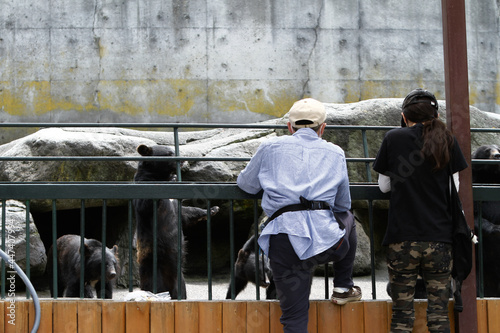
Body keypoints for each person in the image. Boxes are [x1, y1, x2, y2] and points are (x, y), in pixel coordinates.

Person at [237, 98, 361, 333]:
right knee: (348, 219)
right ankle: (343, 287)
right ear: (323, 128)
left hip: (284, 241)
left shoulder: (269, 147)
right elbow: (343, 203)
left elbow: (246, 185)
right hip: (326, 244)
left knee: (293, 319)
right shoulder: (335, 153)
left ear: (289, 127)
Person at [372, 89, 468, 333]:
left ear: (404, 117)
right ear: (435, 115)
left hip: (402, 238)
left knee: (402, 314)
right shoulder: (447, 139)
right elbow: (454, 187)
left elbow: (384, 187)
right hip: (439, 239)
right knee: (438, 314)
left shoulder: (393, 138)